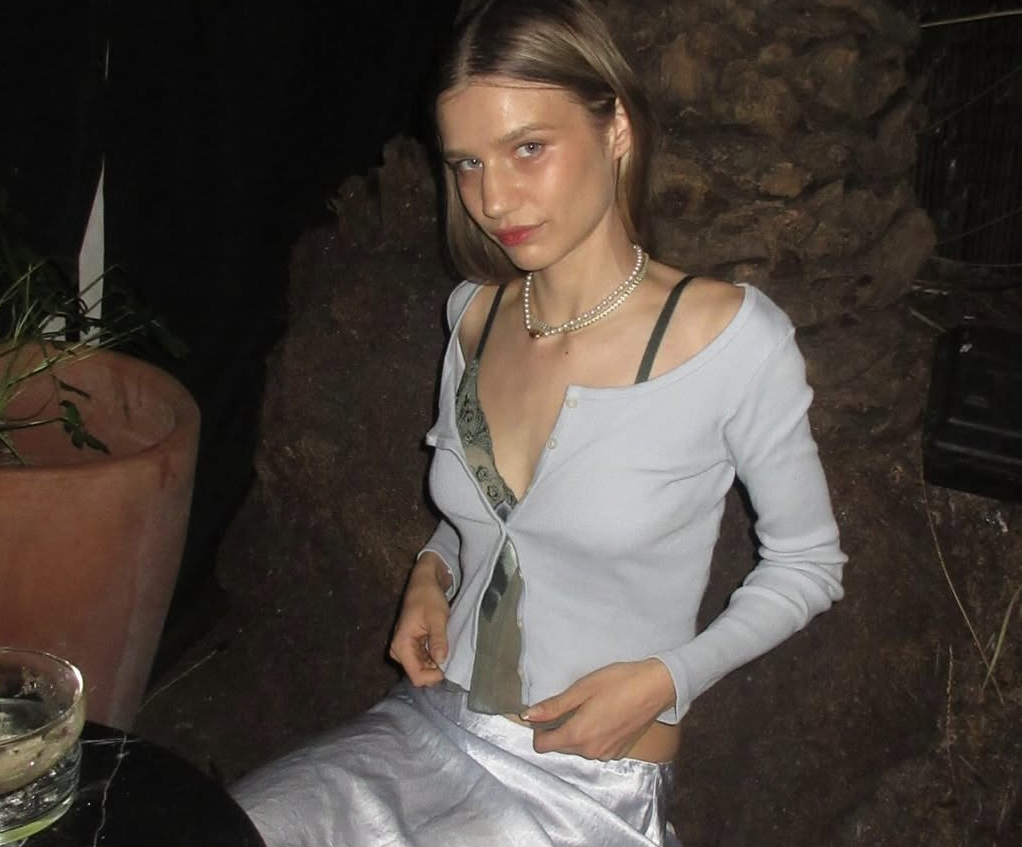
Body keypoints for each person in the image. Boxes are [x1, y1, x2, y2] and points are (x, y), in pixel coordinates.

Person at [232, 0, 847, 844]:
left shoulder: (729, 339)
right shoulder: (474, 320)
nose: (493, 197)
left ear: (617, 127)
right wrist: (432, 567)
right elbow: (487, 520)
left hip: (588, 783)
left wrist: (666, 679)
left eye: (528, 148)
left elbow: (808, 565)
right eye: (467, 164)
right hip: (429, 722)